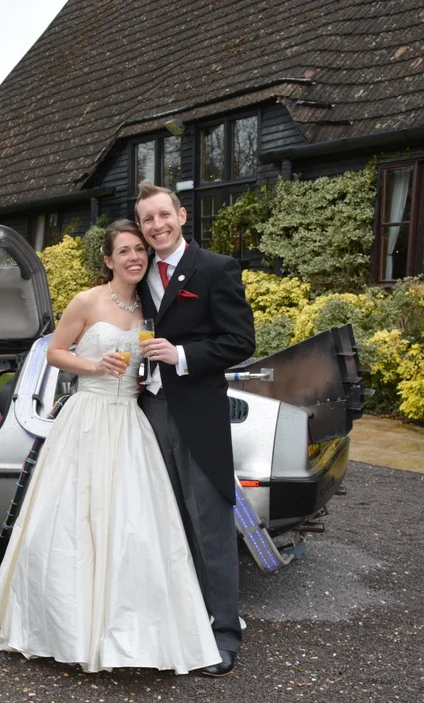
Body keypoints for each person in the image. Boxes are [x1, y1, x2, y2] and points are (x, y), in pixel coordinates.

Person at [0, 220, 220, 675]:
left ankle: (132, 634)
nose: (135, 257)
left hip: (130, 423)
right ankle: (63, 626)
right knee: (69, 523)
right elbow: (54, 352)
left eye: (140, 251)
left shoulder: (152, 309)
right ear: (108, 260)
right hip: (87, 421)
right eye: (125, 251)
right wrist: (93, 364)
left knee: (135, 529)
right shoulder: (87, 300)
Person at [134, 180, 256, 677]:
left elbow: (240, 341)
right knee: (163, 519)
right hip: (147, 413)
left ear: (182, 216)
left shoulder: (215, 268)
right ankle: (179, 621)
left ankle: (224, 632)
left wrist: (182, 355)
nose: (157, 225)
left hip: (198, 413)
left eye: (164, 215)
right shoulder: (138, 275)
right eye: (148, 220)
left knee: (209, 522)